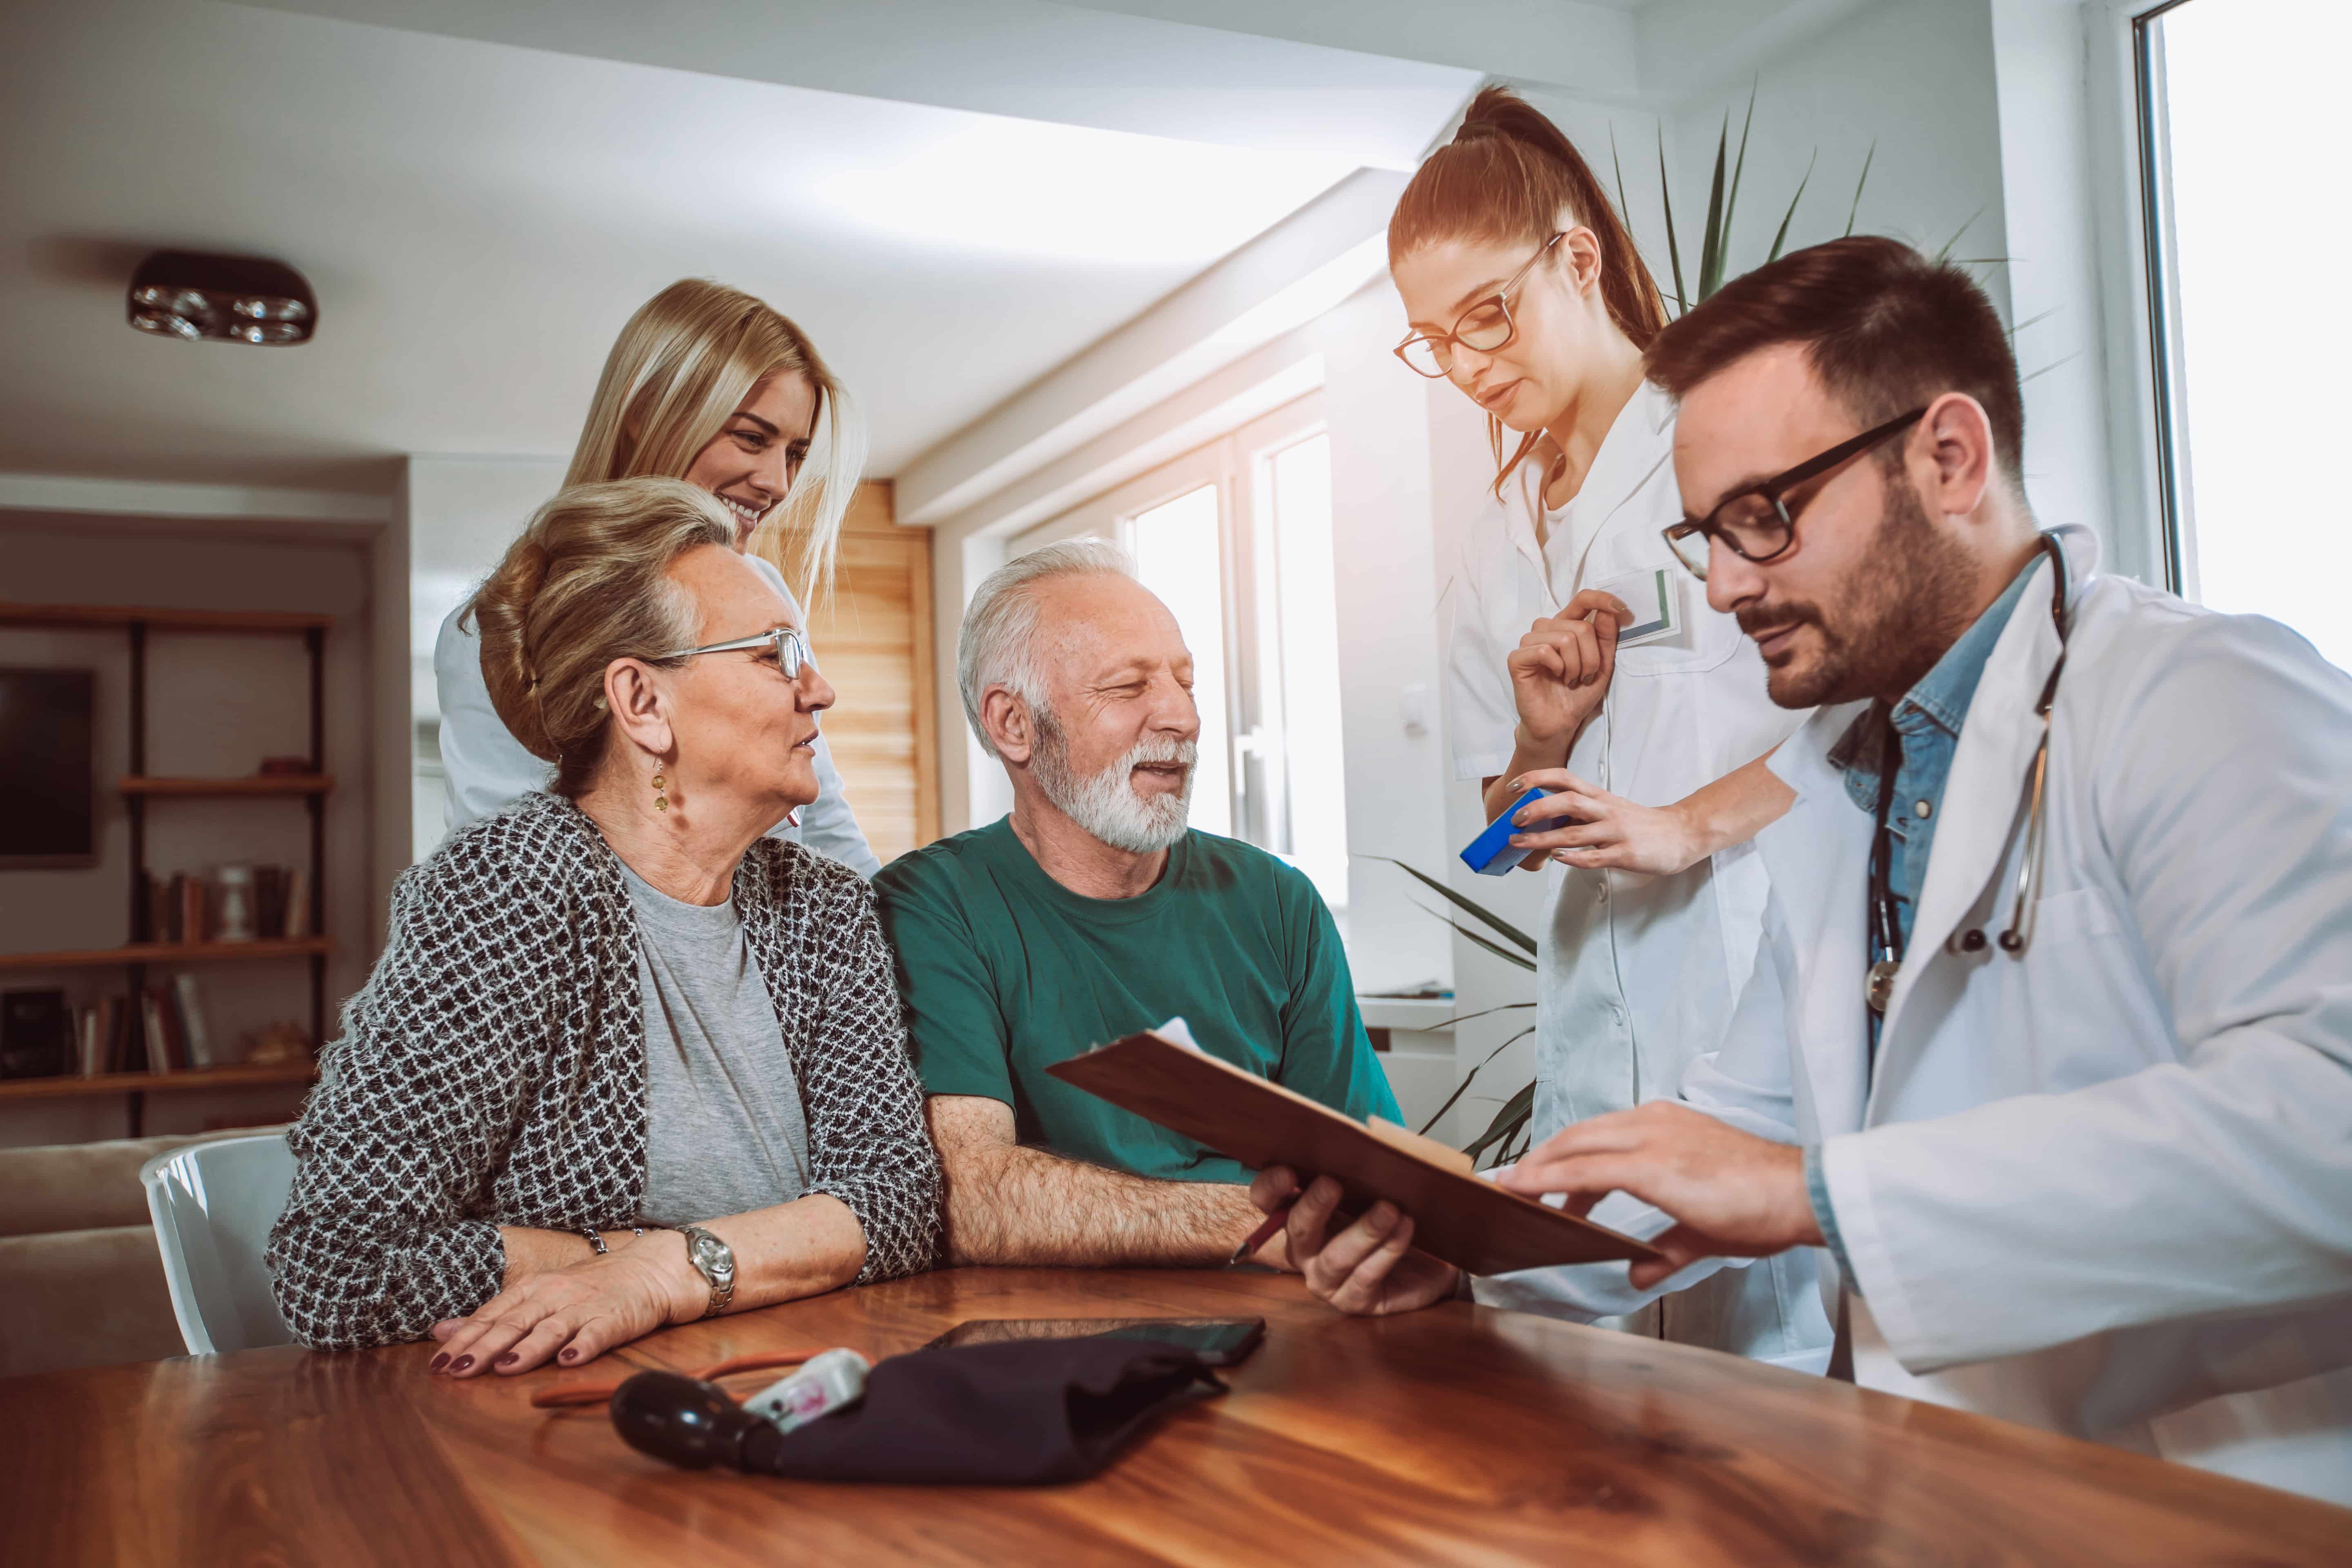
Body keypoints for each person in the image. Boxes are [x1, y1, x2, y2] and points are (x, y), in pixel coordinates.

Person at [1261, 237, 2352, 1504]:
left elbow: (2329, 1124)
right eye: (1705, 533)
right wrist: (1460, 1252)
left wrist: (1821, 1193)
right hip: (1963, 1488)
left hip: (2232, 1498)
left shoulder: (2200, 695)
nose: (1725, 585)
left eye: (1764, 516)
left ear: (1950, 458)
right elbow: (1735, 1134)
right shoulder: (1844, 784)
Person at [269, 478, 940, 1371]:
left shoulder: (824, 910)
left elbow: (896, 1201)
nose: (818, 688)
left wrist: (667, 1267)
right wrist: (606, 1266)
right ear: (643, 704)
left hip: (794, 1383)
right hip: (548, 1425)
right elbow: (338, 1267)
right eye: (775, 654)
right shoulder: (505, 891)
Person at [1398, 86, 1824, 1364]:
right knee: (1590, 1385)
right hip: (1593, 1008)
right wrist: (1542, 741)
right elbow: (1501, 831)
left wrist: (1682, 828)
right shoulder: (1492, 536)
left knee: (1766, 1396)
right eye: (1436, 340)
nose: (1471, 364)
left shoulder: (1714, 442)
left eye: (1489, 316)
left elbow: (1860, 731)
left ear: (1576, 260)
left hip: (1749, 983)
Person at [873, 539, 1398, 1268]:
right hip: (1056, 1335)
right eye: (1128, 687)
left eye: (1187, 683)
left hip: (1293, 1307)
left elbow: (1371, 1178)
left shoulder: (1279, 902)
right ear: (1013, 725)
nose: (1181, 718)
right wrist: (1260, 1228)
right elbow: (968, 1197)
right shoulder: (930, 907)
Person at [435, 278, 880, 876]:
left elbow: (823, 825)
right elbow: (504, 870)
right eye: (751, 438)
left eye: (794, 454)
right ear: (646, 414)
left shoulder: (765, 592)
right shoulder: (500, 628)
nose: (777, 482)